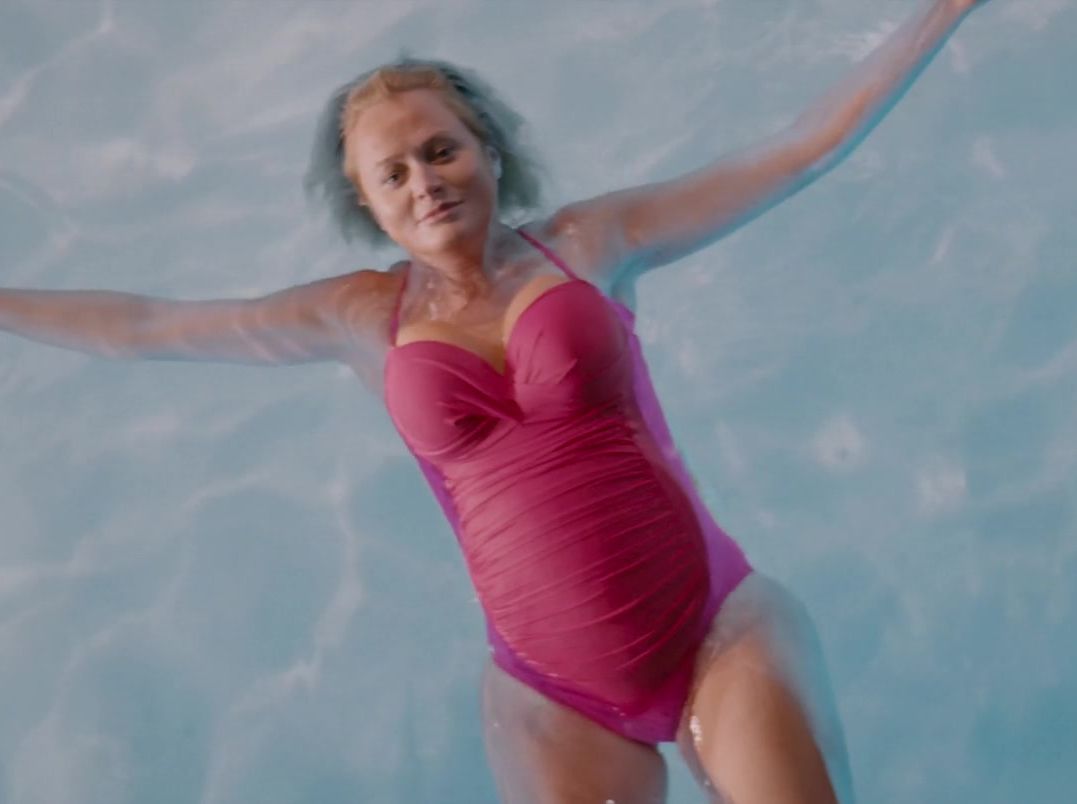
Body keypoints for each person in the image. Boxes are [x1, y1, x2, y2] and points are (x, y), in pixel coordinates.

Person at [0, 1, 993, 801]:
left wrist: (947, 9)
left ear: (489, 150)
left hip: (712, 636)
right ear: (366, 202)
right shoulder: (361, 316)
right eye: (392, 174)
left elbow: (800, 151)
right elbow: (146, 324)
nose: (424, 183)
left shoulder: (590, 243)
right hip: (554, 697)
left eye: (441, 150)